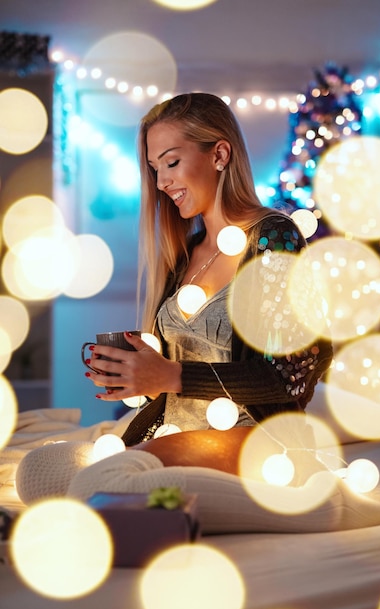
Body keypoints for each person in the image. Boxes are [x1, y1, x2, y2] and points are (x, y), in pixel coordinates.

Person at [85, 92, 333, 476]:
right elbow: (173, 380)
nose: (162, 181)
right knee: (42, 467)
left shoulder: (273, 238)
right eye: (154, 168)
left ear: (219, 155)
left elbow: (290, 376)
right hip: (177, 433)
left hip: (255, 442)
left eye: (171, 162)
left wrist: (170, 374)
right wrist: (141, 378)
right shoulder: (185, 253)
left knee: (115, 475)